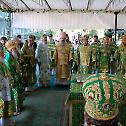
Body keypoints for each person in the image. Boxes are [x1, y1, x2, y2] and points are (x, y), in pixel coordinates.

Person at [5, 40, 24, 114]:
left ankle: (19, 106)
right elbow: (8, 70)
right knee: (14, 93)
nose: (16, 49)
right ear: (11, 49)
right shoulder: (8, 57)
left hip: (16, 77)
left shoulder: (13, 55)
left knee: (18, 91)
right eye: (14, 48)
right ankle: (15, 109)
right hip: (12, 78)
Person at [0, 43, 16, 126]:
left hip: (6, 88)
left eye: (3, 52)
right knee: (2, 107)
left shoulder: (3, 63)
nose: (3, 54)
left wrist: (11, 80)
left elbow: (7, 74)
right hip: (1, 90)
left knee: (8, 105)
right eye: (1, 53)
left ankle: (8, 123)